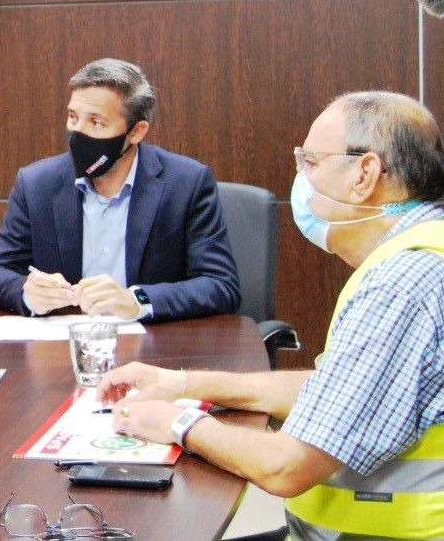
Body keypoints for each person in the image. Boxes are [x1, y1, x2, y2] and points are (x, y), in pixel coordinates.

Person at [98, 91, 444, 540]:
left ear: (364, 173)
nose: (300, 179)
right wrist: (183, 385)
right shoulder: (420, 251)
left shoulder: (402, 282)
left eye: (312, 162)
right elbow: (340, 389)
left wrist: (177, 424)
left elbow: (286, 467)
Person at [0, 58, 240, 321]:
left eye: (96, 123)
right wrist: (28, 293)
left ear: (136, 132)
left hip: (152, 348)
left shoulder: (186, 183)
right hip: (63, 346)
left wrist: (136, 300)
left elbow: (220, 285)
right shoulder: (37, 183)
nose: (77, 133)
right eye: (73, 117)